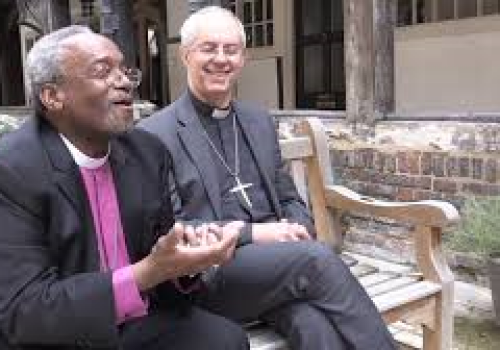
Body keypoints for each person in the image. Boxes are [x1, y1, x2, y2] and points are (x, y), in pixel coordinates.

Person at [0, 25, 250, 350]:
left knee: (224, 340)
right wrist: (147, 272)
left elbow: (159, 261)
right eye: (102, 70)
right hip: (38, 335)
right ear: (52, 96)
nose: (122, 81)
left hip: (121, 323)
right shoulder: (4, 174)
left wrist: (185, 264)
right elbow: (27, 311)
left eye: (124, 70)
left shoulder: (146, 153)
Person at [138, 6, 397, 350]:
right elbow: (175, 228)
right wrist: (257, 234)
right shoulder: (155, 133)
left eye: (231, 50)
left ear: (243, 59)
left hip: (278, 270)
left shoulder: (258, 120)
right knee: (316, 260)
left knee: (313, 324)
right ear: (186, 55)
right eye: (209, 48)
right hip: (212, 274)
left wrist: (294, 227)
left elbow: (288, 195)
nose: (221, 59)